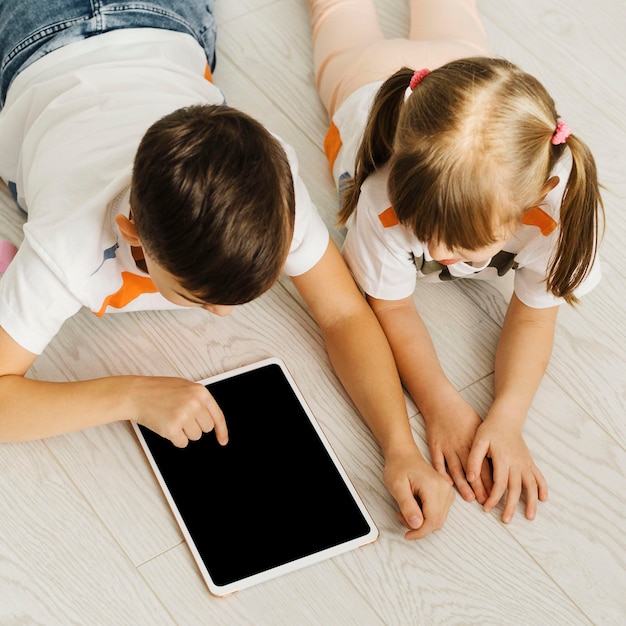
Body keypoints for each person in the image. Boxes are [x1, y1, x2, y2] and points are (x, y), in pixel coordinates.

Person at [0, 1, 455, 539]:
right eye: (197, 297)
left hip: (166, 16)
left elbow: (342, 313)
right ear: (131, 234)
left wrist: (400, 448)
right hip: (34, 37)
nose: (221, 314)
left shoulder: (270, 183)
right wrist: (131, 394)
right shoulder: (67, 245)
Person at [307, 0, 604, 524]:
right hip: (364, 84)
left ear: (534, 203)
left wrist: (508, 418)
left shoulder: (564, 214)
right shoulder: (383, 200)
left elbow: (535, 314)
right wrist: (439, 402)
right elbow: (390, 309)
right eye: (426, 238)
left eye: (461, 251)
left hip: (461, 79)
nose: (440, 258)